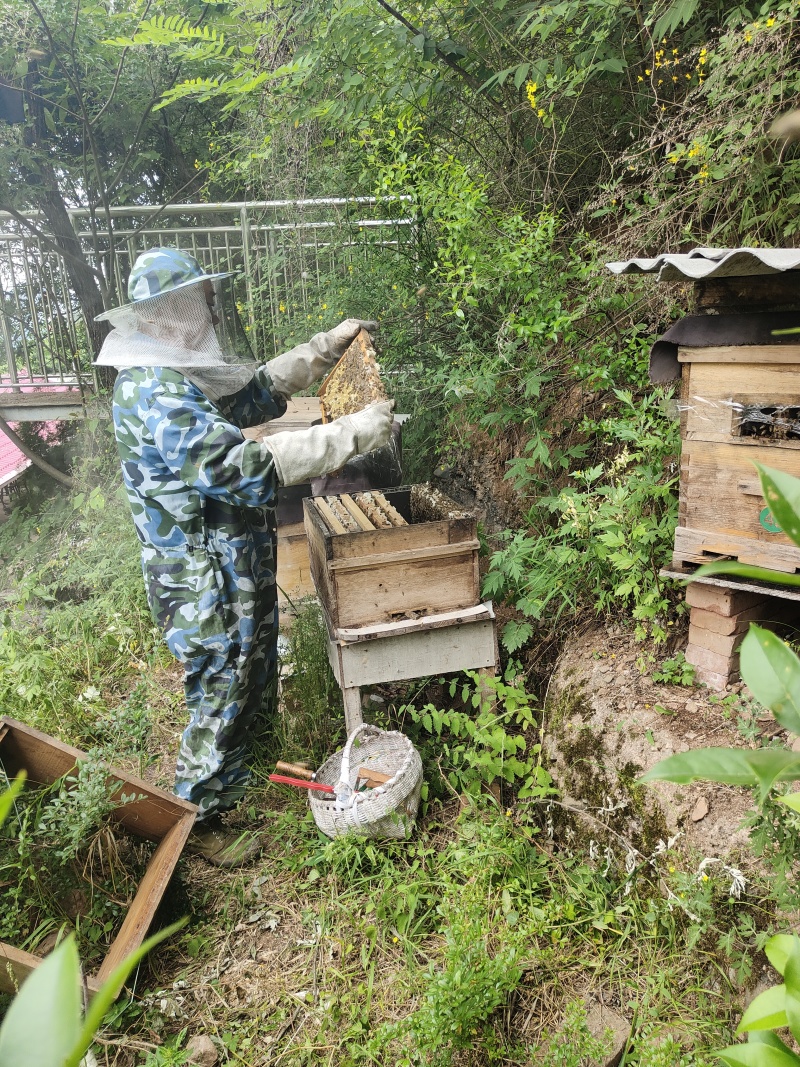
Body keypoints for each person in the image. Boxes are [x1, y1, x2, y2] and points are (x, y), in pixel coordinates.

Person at [94, 247, 394, 864]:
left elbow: (252, 394)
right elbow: (237, 467)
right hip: (201, 572)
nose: (210, 309)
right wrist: (352, 434)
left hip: (225, 558)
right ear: (169, 312)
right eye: (199, 300)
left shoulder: (174, 375)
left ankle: (242, 777)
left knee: (250, 664)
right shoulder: (154, 389)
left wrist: (325, 348)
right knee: (220, 680)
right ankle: (199, 816)